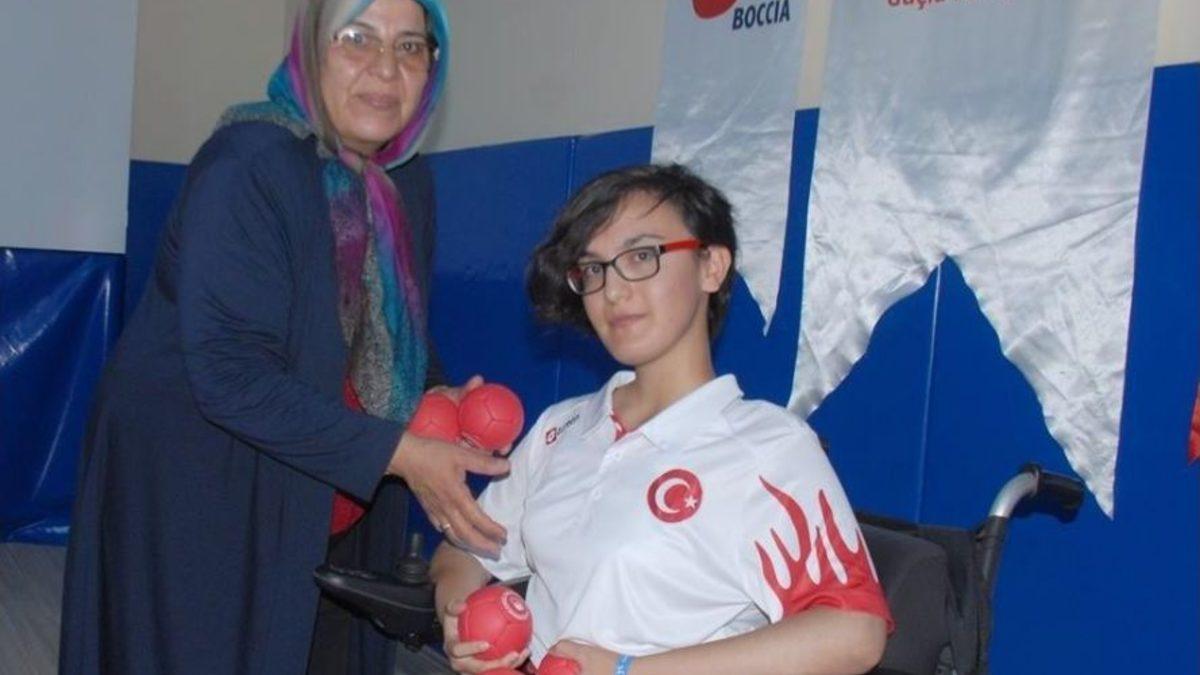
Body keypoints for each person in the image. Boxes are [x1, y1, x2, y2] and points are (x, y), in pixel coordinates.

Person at [59, 1, 510, 673]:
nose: (386, 68)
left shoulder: (404, 181)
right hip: (203, 485)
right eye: (357, 38)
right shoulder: (249, 163)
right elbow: (229, 373)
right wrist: (401, 451)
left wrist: (433, 392)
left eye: (411, 46)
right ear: (311, 47)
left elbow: (391, 331)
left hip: (329, 478)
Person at [430, 164, 893, 675]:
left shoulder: (767, 447)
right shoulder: (561, 429)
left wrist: (629, 669)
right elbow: (463, 552)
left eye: (641, 256)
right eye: (593, 269)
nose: (612, 290)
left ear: (711, 266)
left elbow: (855, 632)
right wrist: (460, 618)